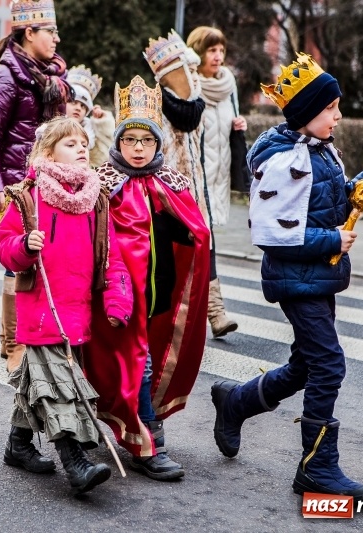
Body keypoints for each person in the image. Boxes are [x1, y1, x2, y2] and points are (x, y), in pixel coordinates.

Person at [210, 53, 363, 500]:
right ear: (306, 113)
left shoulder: (318, 148)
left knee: (306, 364)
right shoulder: (284, 159)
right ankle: (317, 467)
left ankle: (235, 402)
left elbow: (334, 198)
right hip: (296, 277)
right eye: (330, 107)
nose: (338, 114)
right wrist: (331, 240)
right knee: (329, 363)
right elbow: (272, 232)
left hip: (317, 275)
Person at [0, 117, 132, 493]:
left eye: (84, 143)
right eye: (71, 144)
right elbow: (5, 247)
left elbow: (111, 257)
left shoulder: (96, 199)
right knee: (60, 385)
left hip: (77, 308)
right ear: (47, 151)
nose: (81, 149)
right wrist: (24, 247)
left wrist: (117, 300)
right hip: (41, 307)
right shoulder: (30, 195)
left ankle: (18, 444)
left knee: (39, 382)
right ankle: (75, 462)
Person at [85, 76, 211, 481]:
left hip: (157, 295)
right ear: (118, 143)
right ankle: (148, 444)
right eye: (130, 140)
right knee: (133, 365)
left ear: (158, 145)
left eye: (146, 141)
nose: (138, 148)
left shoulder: (170, 184)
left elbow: (193, 233)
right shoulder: (102, 185)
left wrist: (184, 225)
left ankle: (139, 431)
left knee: (149, 364)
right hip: (118, 296)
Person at [0, 0, 71, 374]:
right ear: (29, 33)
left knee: (43, 255)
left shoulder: (52, 77)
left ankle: (36, 336)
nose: (57, 39)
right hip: (15, 184)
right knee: (15, 260)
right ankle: (12, 342)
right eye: (51, 32)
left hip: (46, 181)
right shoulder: (4, 76)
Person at [186, 26, 242, 337]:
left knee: (204, 243)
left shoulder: (228, 85)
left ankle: (207, 313)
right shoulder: (190, 87)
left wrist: (239, 126)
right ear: (198, 53)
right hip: (192, 179)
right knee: (202, 243)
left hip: (217, 177)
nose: (218, 56)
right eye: (211, 50)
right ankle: (214, 312)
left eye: (220, 50)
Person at [66, 65, 114, 167]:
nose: (78, 108)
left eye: (83, 106)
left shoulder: (92, 131)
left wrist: (102, 122)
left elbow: (110, 146)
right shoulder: (50, 128)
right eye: (73, 102)